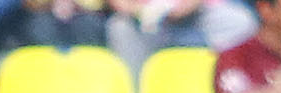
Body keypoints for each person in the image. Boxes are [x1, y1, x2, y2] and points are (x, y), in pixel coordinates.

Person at [101, 0, 252, 72]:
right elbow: (120, 3)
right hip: (143, 18)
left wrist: (179, 8)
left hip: (196, 15)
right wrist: (143, 11)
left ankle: (230, 88)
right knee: (119, 26)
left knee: (241, 21)